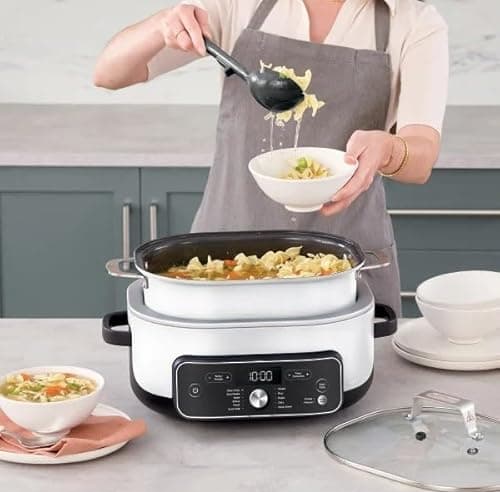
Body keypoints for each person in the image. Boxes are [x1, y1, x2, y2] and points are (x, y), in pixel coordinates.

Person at [94, 0, 449, 316]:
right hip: (223, 266)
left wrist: (389, 148)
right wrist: (162, 24)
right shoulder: (239, 5)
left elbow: (421, 155)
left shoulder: (414, 22)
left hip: (344, 272)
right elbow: (108, 73)